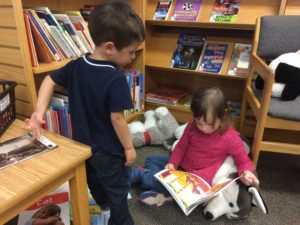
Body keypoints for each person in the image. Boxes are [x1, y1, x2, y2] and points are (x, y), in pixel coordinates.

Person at [24, 1, 145, 224]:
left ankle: (105, 208)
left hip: (82, 148)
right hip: (109, 152)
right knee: (118, 190)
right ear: (109, 47)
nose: (131, 57)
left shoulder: (77, 65)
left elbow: (49, 80)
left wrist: (38, 112)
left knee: (95, 183)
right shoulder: (116, 79)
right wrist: (129, 147)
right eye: (130, 52)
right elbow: (117, 118)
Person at [131, 86, 259, 208]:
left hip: (195, 180)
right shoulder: (192, 126)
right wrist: (172, 164)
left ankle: (143, 176)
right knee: (151, 159)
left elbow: (243, 160)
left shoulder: (231, 137)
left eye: (209, 124)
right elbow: (181, 147)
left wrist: (247, 172)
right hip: (181, 166)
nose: (203, 128)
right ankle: (163, 191)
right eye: (199, 123)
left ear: (223, 114)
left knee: (159, 183)